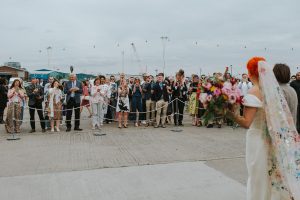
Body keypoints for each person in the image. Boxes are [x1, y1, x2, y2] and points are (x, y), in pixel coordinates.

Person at [227, 57, 300, 200]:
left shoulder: (254, 91)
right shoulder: (271, 91)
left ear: (250, 72)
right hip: (269, 138)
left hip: (256, 138)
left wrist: (229, 114)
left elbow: (246, 122)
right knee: (267, 176)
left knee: (256, 177)